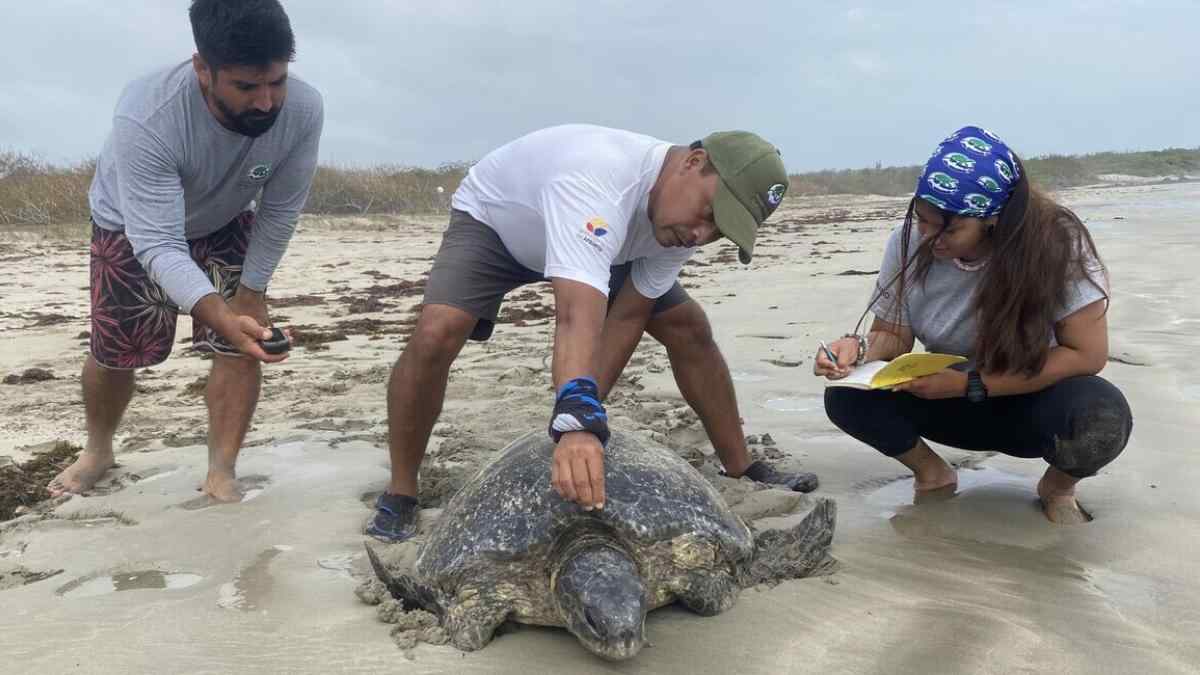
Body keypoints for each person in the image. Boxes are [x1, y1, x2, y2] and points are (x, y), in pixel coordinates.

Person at [368, 124, 817, 541]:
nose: (701, 235)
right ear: (693, 162)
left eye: (721, 230)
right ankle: (401, 491)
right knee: (438, 332)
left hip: (611, 244)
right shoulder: (597, 177)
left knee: (688, 325)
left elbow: (625, 317)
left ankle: (740, 465)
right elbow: (576, 314)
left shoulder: (680, 225)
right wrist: (576, 424)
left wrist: (579, 415)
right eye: (709, 212)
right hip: (500, 226)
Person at [48, 0, 324, 503]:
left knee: (241, 345)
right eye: (245, 86)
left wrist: (251, 292)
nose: (266, 103)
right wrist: (216, 309)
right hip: (129, 223)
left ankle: (222, 470)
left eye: (277, 82)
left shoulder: (304, 109)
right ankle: (98, 450)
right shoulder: (148, 113)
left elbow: (280, 209)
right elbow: (157, 240)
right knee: (114, 352)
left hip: (226, 216)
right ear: (203, 68)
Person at [814, 125, 1132, 524]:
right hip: (943, 400)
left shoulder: (1057, 244)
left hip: (1032, 401)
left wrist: (971, 383)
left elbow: (1087, 355)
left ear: (992, 218)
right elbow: (893, 335)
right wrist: (857, 349)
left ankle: (1058, 487)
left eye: (949, 228)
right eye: (924, 220)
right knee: (846, 395)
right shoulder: (907, 241)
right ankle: (932, 473)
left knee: (1103, 416)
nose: (930, 238)